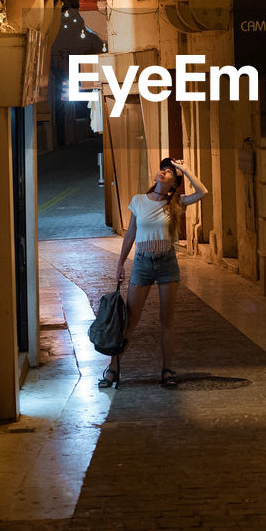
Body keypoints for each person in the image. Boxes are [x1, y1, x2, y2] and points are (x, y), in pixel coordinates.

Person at [99, 156, 208, 390]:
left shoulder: (177, 202)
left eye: (169, 172)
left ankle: (167, 370)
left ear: (173, 182)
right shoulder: (138, 200)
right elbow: (130, 234)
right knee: (130, 318)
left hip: (167, 263)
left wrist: (185, 170)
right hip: (142, 263)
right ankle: (113, 369)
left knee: (167, 320)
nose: (164, 173)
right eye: (163, 169)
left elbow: (203, 192)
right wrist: (120, 264)